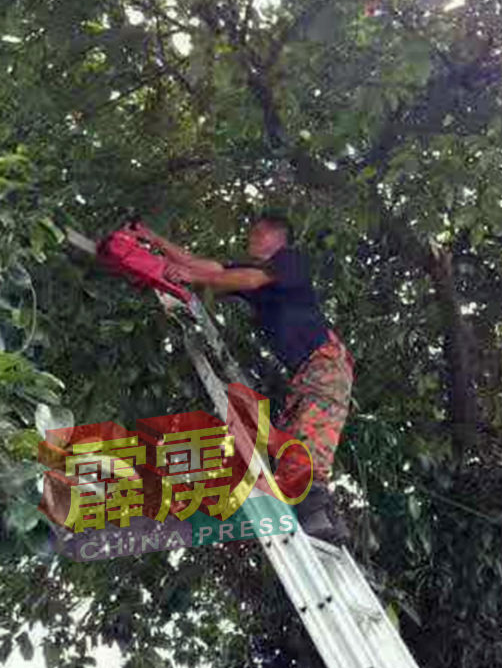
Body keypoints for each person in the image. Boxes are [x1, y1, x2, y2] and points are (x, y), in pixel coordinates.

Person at [133, 212, 354, 544]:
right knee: (294, 439)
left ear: (274, 235)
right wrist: (152, 238)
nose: (251, 237)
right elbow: (211, 269)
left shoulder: (288, 261)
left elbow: (248, 280)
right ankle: (321, 517)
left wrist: (188, 275)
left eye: (257, 232)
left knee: (311, 433)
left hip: (325, 359)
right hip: (305, 371)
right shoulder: (256, 270)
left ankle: (317, 513)